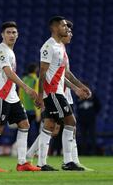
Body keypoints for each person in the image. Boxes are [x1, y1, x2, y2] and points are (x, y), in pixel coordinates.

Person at [0, 21, 40, 172]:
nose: (11, 35)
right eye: (8, 32)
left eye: (14, 32)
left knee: (24, 124)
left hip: (12, 95)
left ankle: (22, 163)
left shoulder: (10, 51)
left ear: (18, 35)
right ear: (2, 35)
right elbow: (8, 72)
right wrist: (26, 88)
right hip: (1, 95)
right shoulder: (0, 50)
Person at [35, 16, 91, 171]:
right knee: (70, 122)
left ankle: (42, 163)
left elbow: (65, 73)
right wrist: (40, 96)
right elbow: (42, 73)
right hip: (52, 92)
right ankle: (67, 162)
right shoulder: (48, 47)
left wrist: (79, 87)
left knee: (50, 125)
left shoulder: (60, 46)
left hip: (58, 91)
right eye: (63, 25)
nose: (67, 28)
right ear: (54, 28)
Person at [19, 63, 40, 145]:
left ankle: (24, 147)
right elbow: (36, 95)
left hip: (24, 109)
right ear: (35, 70)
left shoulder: (23, 80)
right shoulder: (36, 80)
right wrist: (38, 113)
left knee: (24, 130)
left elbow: (20, 94)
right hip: (34, 110)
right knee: (37, 131)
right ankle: (36, 149)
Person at [77, 82, 100, 156]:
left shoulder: (92, 96)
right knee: (83, 137)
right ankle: (84, 153)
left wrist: (93, 114)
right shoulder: (79, 96)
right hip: (82, 120)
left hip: (91, 120)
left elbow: (98, 106)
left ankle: (94, 153)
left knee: (92, 136)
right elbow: (77, 108)